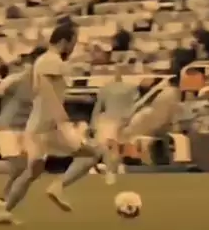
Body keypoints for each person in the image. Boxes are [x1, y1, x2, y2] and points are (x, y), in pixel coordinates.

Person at [0, 21, 98, 225]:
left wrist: (77, 99)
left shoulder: (44, 61)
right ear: (64, 41)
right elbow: (46, 89)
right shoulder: (52, 61)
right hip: (51, 125)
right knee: (93, 154)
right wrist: (60, 116)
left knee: (32, 172)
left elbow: (46, 92)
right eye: (74, 42)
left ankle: (4, 211)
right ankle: (58, 186)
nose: (74, 47)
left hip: (38, 125)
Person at [46, 64, 139, 211]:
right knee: (96, 153)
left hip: (107, 121)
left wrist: (93, 125)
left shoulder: (113, 89)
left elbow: (98, 109)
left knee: (92, 154)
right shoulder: (127, 89)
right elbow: (132, 107)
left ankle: (60, 185)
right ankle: (109, 172)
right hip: (114, 122)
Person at [0, 58, 39, 206]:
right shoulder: (14, 80)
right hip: (6, 128)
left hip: (21, 129)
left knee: (25, 166)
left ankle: (3, 196)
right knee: (22, 166)